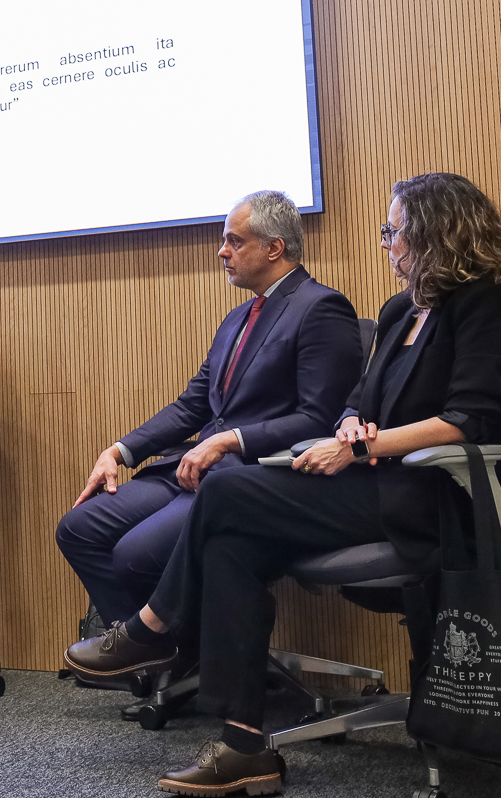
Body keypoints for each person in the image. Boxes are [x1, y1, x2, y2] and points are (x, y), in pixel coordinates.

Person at [86, 172, 501, 798]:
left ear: (434, 232)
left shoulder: (480, 307)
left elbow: (469, 421)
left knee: (225, 492)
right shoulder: (401, 310)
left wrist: (360, 444)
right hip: (370, 485)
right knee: (232, 544)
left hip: (429, 495)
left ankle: (153, 628)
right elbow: (355, 401)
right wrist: (350, 424)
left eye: (393, 232)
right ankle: (245, 746)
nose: (386, 244)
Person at [56, 191, 362, 662]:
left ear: (274, 248)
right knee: (79, 528)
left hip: (253, 479)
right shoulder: (238, 317)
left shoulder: (321, 308)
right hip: (192, 470)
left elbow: (319, 419)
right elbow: (193, 405)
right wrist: (119, 450)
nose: (222, 252)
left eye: (234, 241)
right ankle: (160, 657)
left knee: (134, 554)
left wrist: (228, 440)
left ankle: (179, 656)